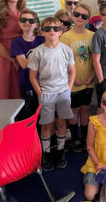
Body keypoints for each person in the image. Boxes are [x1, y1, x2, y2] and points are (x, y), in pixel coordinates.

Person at [28, 17, 76, 171]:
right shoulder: (37, 52)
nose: (52, 32)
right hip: (46, 93)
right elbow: (32, 76)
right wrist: (40, 93)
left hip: (63, 92)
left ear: (61, 31)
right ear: (42, 32)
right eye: (48, 29)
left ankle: (60, 151)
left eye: (55, 29)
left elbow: (72, 71)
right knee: (46, 125)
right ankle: (47, 153)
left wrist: (69, 88)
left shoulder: (66, 50)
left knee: (62, 123)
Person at [60, 3, 94, 153]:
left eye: (84, 16)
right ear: (72, 15)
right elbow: (62, 62)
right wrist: (72, 78)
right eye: (77, 15)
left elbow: (96, 59)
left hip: (89, 81)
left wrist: (92, 76)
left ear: (88, 19)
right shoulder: (66, 37)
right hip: (73, 82)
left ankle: (86, 137)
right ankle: (75, 138)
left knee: (86, 109)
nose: (80, 18)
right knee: (74, 111)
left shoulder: (92, 36)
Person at [10, 9, 45, 120]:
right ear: (19, 23)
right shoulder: (16, 42)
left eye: (31, 21)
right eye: (24, 20)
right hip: (27, 85)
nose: (27, 23)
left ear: (37, 24)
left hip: (44, 84)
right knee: (29, 117)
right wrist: (40, 51)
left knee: (44, 116)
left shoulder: (43, 39)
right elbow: (24, 64)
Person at [0, 0, 26, 99]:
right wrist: (13, 59)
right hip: (3, 58)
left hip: (21, 57)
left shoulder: (23, 12)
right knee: (4, 95)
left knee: (18, 95)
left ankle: (19, 119)